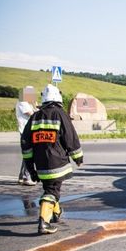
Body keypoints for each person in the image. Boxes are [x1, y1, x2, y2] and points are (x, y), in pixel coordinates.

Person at [21, 84, 83, 234]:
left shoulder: (35, 117)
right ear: (58, 98)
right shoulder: (60, 114)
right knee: (52, 191)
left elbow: (25, 144)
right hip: (57, 163)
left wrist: (31, 169)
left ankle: (56, 212)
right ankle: (44, 222)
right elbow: (70, 138)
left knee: (50, 187)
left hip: (41, 165)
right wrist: (78, 157)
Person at [15, 95, 37, 186]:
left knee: (27, 154)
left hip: (28, 130)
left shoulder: (27, 103)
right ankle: (26, 177)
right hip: (25, 131)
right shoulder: (22, 102)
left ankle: (21, 177)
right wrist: (36, 108)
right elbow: (31, 114)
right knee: (29, 154)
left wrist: (34, 106)